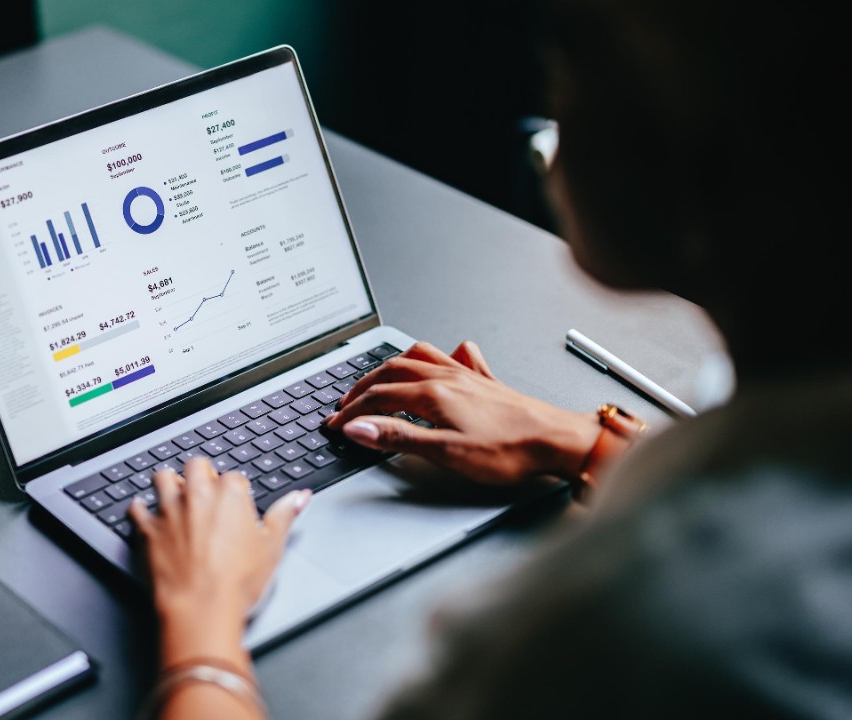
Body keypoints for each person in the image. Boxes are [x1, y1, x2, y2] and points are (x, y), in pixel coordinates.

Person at [126, 0, 852, 717]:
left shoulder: (619, 631)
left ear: (685, 161)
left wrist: (204, 629)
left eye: (571, 53)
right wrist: (585, 442)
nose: (551, 102)